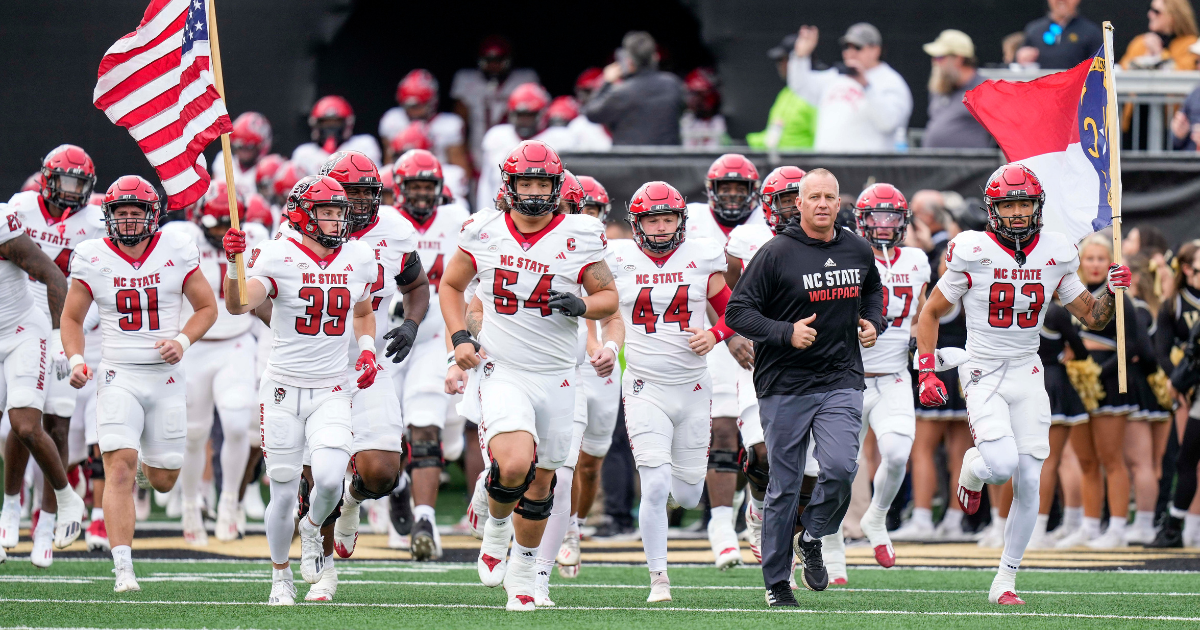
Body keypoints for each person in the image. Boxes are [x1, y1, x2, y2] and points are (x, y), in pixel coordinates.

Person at [914, 164, 1127, 604]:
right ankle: (972, 472)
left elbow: (1094, 315)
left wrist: (1111, 288)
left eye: (1023, 203)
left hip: (1028, 370)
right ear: (993, 209)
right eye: (1008, 204)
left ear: (1037, 207)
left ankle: (1005, 580)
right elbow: (930, 313)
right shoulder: (971, 250)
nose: (1016, 212)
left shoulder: (1057, 251)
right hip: (983, 370)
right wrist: (928, 370)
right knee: (1001, 465)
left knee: (1030, 478)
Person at [437, 140, 617, 611]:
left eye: (542, 183)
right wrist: (459, 339)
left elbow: (609, 299)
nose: (534, 192)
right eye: (526, 182)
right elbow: (452, 285)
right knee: (514, 464)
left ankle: (524, 569)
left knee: (542, 483)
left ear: (556, 187)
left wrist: (582, 304)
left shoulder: (581, 233)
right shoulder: (483, 229)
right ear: (509, 185)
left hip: (558, 373)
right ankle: (496, 528)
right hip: (504, 367)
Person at [726, 168, 885, 606]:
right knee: (785, 484)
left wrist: (874, 321)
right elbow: (737, 313)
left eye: (828, 197)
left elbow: (874, 291)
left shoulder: (856, 246)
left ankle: (812, 536)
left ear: (839, 203)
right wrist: (784, 332)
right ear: (797, 203)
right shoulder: (775, 252)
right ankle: (777, 585)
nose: (820, 204)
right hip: (785, 383)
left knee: (839, 470)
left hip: (840, 377)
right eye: (812, 196)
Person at [220, 174, 381, 605]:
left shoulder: (359, 256)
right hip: (282, 389)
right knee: (284, 487)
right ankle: (280, 578)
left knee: (329, 479)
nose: (336, 221)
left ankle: (311, 527)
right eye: (326, 212)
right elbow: (239, 304)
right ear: (302, 214)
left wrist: (366, 349)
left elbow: (364, 311)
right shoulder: (278, 254)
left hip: (331, 387)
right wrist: (231, 266)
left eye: (339, 212)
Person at [61, 175, 217, 591]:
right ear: (107, 216)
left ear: (153, 215)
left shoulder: (176, 249)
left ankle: (146, 473)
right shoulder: (92, 255)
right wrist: (76, 358)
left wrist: (182, 340)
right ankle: (123, 568)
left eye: (136, 212)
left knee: (163, 479)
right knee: (119, 469)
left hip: (165, 376)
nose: (129, 220)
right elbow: (72, 317)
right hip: (118, 374)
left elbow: (207, 307)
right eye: (120, 212)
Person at [298, 151, 427, 600]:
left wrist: (411, 323)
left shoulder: (392, 230)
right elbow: (265, 294)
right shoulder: (300, 226)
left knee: (382, 473)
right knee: (321, 472)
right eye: (347, 192)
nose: (355, 202)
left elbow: (416, 285)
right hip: (316, 364)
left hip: (370, 363)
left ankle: (352, 503)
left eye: (364, 193)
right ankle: (326, 569)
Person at [602, 181, 732, 603]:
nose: (660, 228)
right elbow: (594, 303)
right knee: (655, 486)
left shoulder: (701, 256)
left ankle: (686, 485)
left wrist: (714, 335)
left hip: (694, 386)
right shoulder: (616, 259)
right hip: (644, 385)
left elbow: (734, 310)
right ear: (637, 224)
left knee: (691, 494)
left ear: (681, 221)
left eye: (667, 218)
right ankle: (659, 579)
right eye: (652, 219)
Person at [1, 145, 101, 566]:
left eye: (79, 182)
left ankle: (46, 521)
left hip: (65, 315)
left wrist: (70, 336)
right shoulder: (22, 206)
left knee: (57, 422)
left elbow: (63, 276)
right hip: (23, 305)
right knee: (21, 419)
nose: (71, 190)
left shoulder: (95, 221)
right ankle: (12, 506)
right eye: (65, 180)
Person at [531, 173, 624, 603]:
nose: (583, 218)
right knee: (558, 464)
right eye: (574, 208)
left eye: (590, 210)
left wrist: (609, 346)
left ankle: (574, 526)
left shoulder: (610, 253)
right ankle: (539, 553)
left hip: (599, 366)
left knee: (589, 463)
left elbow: (614, 313)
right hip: (556, 365)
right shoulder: (533, 247)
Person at [161, 182, 269, 546]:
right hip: (193, 346)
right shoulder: (181, 237)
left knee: (239, 425)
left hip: (236, 343)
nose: (222, 234)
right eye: (216, 225)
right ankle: (191, 505)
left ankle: (229, 503)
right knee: (193, 435)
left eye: (229, 224)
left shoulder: (254, 236)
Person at [839, 184, 929, 572]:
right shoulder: (846, 256)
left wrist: (922, 355)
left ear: (903, 220)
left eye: (891, 216)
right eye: (875, 217)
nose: (883, 225)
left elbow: (923, 316)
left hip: (892, 375)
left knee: (895, 453)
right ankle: (830, 546)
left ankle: (876, 517)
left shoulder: (917, 260)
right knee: (836, 468)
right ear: (861, 220)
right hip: (846, 377)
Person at [386, 148, 471, 559]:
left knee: (425, 426)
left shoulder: (457, 220)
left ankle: (425, 519)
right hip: (388, 336)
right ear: (399, 189)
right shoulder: (384, 221)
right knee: (382, 434)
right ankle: (397, 487)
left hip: (435, 335)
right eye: (414, 186)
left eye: (427, 186)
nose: (421, 195)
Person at [686, 153, 767, 570]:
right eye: (726, 188)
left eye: (740, 189)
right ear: (711, 191)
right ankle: (719, 525)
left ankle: (748, 508)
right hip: (710, 335)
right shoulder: (691, 219)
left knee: (759, 445)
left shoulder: (766, 225)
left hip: (761, 336)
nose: (733, 196)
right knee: (719, 430)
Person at [724, 165, 806, 566]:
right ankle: (757, 510)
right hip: (760, 359)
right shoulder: (747, 238)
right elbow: (725, 293)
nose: (792, 207)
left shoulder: (833, 241)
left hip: (809, 361)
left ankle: (794, 539)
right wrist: (731, 333)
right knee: (760, 453)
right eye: (785, 199)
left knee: (808, 466)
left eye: (798, 198)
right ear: (768, 205)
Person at [1057, 235, 1157, 549]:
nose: (1096, 264)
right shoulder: (1073, 296)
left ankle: (1116, 527)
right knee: (1085, 460)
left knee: (1112, 459)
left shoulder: (1119, 296)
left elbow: (1137, 345)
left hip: (1111, 382)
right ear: (1080, 262)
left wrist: (1101, 371)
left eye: (1102, 258)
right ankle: (1089, 525)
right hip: (1078, 383)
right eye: (1090, 258)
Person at [787, 23, 912, 152]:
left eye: (857, 47)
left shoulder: (890, 81)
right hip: (828, 164)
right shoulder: (836, 76)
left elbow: (888, 123)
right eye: (847, 47)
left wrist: (866, 86)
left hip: (868, 167)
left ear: (875, 50)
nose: (850, 52)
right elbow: (801, 86)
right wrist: (800, 57)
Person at [474, 83, 570, 212]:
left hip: (547, 210)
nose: (524, 121)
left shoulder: (561, 139)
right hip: (504, 210)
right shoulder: (497, 136)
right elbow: (486, 183)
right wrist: (484, 213)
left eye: (529, 116)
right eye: (520, 115)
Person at [451, 36, 541, 170]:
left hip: (516, 148)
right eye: (489, 61)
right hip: (478, 152)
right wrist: (464, 156)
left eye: (499, 61)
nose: (493, 66)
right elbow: (459, 125)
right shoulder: (466, 80)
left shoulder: (525, 79)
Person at [583, 31, 688, 146]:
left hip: (631, 161)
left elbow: (591, 113)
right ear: (655, 57)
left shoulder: (622, 92)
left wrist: (606, 82)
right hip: (669, 161)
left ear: (629, 62)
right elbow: (683, 109)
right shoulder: (673, 84)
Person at [379, 70, 471, 175]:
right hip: (403, 176)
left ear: (432, 102)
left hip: (436, 179)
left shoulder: (449, 125)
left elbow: (460, 171)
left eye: (418, 106)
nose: (413, 111)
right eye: (408, 106)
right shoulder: (393, 120)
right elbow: (389, 164)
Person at [922, 30, 992, 149]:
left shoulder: (984, 89)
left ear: (958, 59)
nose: (934, 62)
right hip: (934, 164)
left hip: (971, 166)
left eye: (939, 57)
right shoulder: (940, 86)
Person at [747, 34, 817, 150]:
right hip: (781, 164)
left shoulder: (818, 92)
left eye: (782, 59)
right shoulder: (785, 93)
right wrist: (748, 143)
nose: (779, 65)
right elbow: (773, 137)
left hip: (807, 165)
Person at [291, 96, 382, 175]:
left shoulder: (364, 145)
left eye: (336, 122)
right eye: (325, 123)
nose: (330, 128)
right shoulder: (303, 153)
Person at [1015, 0, 1104, 70]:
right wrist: (1021, 58)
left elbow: (1100, 71)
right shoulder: (1034, 30)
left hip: (1076, 91)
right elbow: (1017, 69)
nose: (1062, 0)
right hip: (1042, 89)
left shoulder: (1091, 32)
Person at [1120, 0, 1199, 70]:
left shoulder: (1190, 44)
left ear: (1173, 15)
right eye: (1150, 9)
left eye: (1156, 11)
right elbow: (1122, 67)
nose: (1150, 14)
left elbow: (1186, 71)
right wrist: (1144, 60)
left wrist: (1159, 54)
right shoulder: (1141, 42)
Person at [213, 112, 273, 200]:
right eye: (239, 146)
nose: (243, 151)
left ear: (261, 146)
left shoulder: (267, 169)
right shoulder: (223, 160)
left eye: (249, 147)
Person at [680, 68, 729, 148]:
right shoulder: (686, 121)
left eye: (698, 95)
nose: (692, 100)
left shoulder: (720, 122)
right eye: (691, 94)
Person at [569, 69, 614, 151]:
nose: (583, 98)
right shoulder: (579, 125)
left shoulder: (620, 118)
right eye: (581, 92)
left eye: (588, 92)